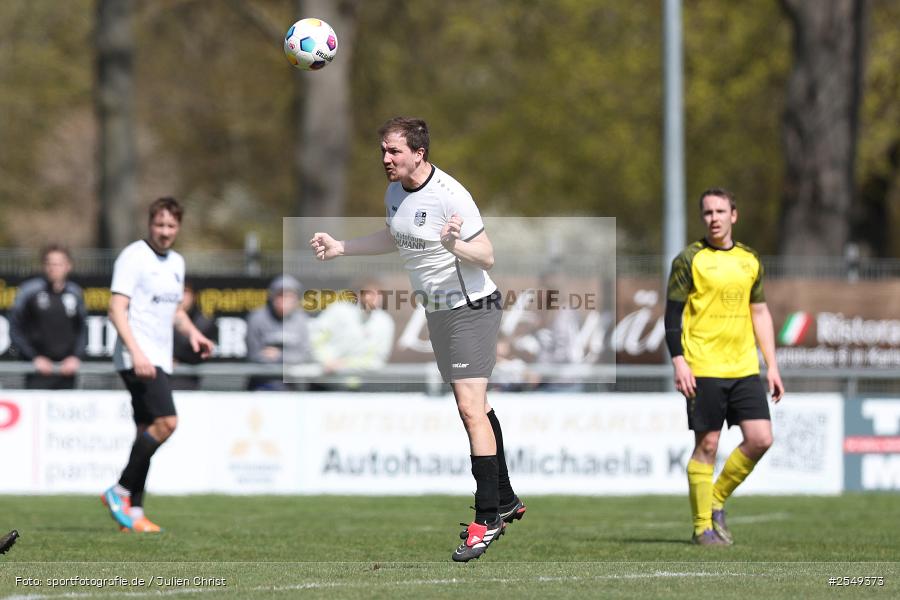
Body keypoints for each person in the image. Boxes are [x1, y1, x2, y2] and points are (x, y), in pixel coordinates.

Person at [310, 117, 525, 562]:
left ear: (418, 154)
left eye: (394, 151)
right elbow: (394, 235)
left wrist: (455, 246)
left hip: (472, 307)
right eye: (383, 151)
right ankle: (504, 497)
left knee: (469, 408)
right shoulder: (394, 193)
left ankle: (487, 519)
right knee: (478, 407)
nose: (385, 159)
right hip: (439, 312)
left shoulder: (450, 195)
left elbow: (487, 255)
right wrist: (341, 247)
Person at [665, 188, 785, 546]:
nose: (713, 218)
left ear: (734, 215)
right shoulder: (689, 259)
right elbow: (672, 316)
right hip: (703, 367)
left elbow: (759, 312)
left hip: (745, 367)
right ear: (702, 218)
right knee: (708, 445)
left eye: (720, 211)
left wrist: (772, 366)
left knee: (761, 438)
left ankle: (715, 499)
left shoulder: (750, 260)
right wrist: (679, 361)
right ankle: (702, 527)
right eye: (707, 212)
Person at [101, 197, 214, 533]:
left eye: (171, 226)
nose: (165, 232)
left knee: (145, 432)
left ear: (178, 227)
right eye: (159, 225)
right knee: (167, 422)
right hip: (138, 358)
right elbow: (116, 309)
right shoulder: (134, 257)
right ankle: (119, 491)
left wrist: (194, 334)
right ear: (150, 224)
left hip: (158, 358)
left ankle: (132, 516)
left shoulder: (176, 262)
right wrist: (136, 353)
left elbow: (176, 311)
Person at [9, 244, 87, 389]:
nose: (53, 268)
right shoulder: (29, 291)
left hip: (67, 370)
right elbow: (15, 328)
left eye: (58, 264)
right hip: (37, 369)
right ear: (44, 266)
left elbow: (82, 328)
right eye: (49, 263)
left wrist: (75, 357)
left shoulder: (75, 293)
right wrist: (34, 358)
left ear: (68, 266)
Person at [308, 278, 395, 385]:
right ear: (359, 295)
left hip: (361, 387)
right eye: (369, 293)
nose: (374, 298)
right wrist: (327, 361)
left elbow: (377, 361)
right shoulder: (338, 311)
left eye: (379, 294)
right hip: (326, 381)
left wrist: (344, 365)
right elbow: (316, 339)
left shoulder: (385, 322)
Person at [245, 275, 310, 391]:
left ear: (296, 299)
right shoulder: (257, 318)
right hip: (262, 384)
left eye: (289, 296)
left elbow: (304, 355)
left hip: (293, 386)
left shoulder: (302, 320)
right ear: (272, 297)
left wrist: (280, 356)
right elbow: (253, 355)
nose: (284, 301)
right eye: (280, 295)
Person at [171, 280, 218, 390]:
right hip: (160, 375)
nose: (181, 297)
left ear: (194, 296)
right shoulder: (161, 317)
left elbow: (193, 350)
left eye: (185, 292)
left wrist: (174, 357)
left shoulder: (204, 321)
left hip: (190, 378)